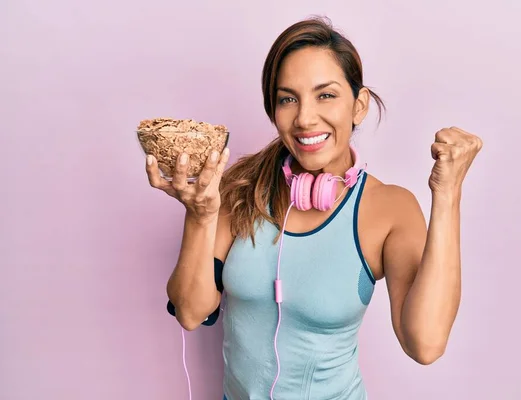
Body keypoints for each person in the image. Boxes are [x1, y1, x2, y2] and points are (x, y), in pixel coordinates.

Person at [145, 16, 482, 400]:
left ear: (359, 106)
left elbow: (425, 343)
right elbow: (190, 312)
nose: (305, 118)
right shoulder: (238, 188)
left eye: (326, 95)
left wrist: (448, 192)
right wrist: (200, 216)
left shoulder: (390, 209)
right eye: (288, 98)